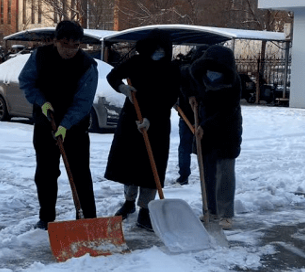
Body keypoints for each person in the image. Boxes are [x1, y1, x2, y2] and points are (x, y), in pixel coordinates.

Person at [18, 20, 99, 230]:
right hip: (46, 124)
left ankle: (88, 218)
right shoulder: (40, 56)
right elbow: (26, 82)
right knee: (45, 173)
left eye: (76, 45)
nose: (70, 50)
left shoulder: (87, 65)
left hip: (76, 128)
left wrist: (65, 125)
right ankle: (47, 217)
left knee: (80, 173)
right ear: (56, 41)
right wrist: (42, 102)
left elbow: (83, 102)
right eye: (65, 44)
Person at [103, 29, 181, 230]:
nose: (158, 52)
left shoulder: (171, 69)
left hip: (158, 122)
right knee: (129, 164)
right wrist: (123, 89)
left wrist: (150, 119)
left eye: (162, 49)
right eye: (154, 49)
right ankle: (129, 202)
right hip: (131, 119)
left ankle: (145, 209)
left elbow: (170, 98)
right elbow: (113, 76)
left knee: (150, 168)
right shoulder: (136, 63)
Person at [185, 45, 243, 230]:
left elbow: (228, 110)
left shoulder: (233, 82)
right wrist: (190, 95)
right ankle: (211, 211)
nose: (212, 74)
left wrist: (205, 126)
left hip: (227, 131)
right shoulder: (200, 76)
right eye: (209, 69)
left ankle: (226, 214)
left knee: (224, 173)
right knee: (208, 173)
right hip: (205, 131)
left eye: (216, 70)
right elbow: (184, 80)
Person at [174, 46, 207, 186]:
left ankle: (200, 175)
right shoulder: (187, 71)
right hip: (188, 114)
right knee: (186, 146)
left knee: (197, 146)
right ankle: (185, 175)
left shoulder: (202, 72)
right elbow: (180, 88)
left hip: (202, 116)